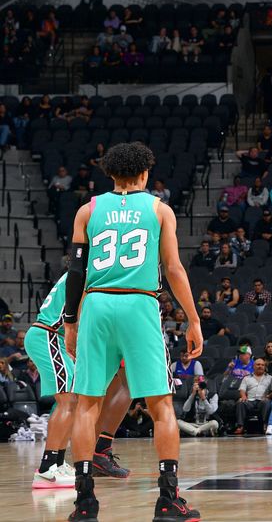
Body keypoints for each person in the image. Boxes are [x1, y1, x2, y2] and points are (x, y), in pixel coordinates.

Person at [63, 142, 202, 520]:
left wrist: (70, 322)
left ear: (110, 174)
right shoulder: (159, 210)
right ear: (144, 175)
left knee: (87, 404)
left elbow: (75, 272)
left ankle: (85, 502)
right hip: (139, 303)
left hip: (95, 304)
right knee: (161, 406)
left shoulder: (87, 210)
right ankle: (168, 499)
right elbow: (173, 269)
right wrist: (193, 318)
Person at [25, 274, 78, 488]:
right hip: (49, 335)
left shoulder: (76, 271)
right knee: (68, 402)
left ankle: (57, 462)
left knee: (71, 401)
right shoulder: (83, 273)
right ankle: (47, 469)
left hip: (54, 337)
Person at [234, 358, 272, 435]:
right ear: (253, 366)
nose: (260, 366)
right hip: (250, 401)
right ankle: (240, 426)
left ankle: (265, 425)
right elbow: (242, 389)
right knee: (240, 403)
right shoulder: (247, 378)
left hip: (262, 400)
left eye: (262, 365)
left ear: (265, 367)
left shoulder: (270, 378)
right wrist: (243, 396)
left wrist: (268, 396)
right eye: (258, 364)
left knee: (266, 402)